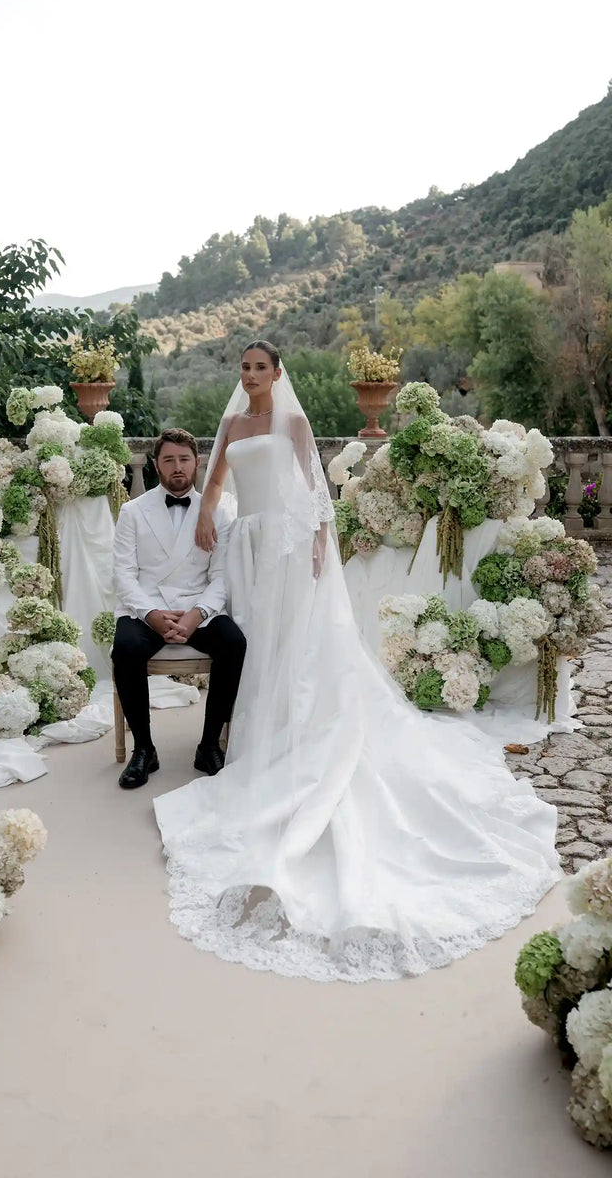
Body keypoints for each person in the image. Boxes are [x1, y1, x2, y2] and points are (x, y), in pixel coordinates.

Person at [152, 342, 563, 983]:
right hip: (249, 544)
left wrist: (319, 540)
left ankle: (293, 736)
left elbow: (315, 487)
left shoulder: (291, 421)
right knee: (255, 643)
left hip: (287, 543)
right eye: (244, 368)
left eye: (259, 367)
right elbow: (216, 484)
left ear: (277, 374)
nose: (250, 376)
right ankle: (254, 732)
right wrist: (207, 515)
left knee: (292, 645)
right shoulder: (232, 424)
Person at [111, 428, 247, 790]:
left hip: (196, 607)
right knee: (124, 648)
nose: (177, 467)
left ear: (197, 463)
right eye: (169, 460)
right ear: (156, 465)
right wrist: (151, 615)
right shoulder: (133, 511)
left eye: (184, 459)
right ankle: (144, 749)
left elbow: (222, 576)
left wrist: (197, 614)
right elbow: (123, 575)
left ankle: (208, 745)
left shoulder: (216, 514)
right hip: (147, 607)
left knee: (234, 643)